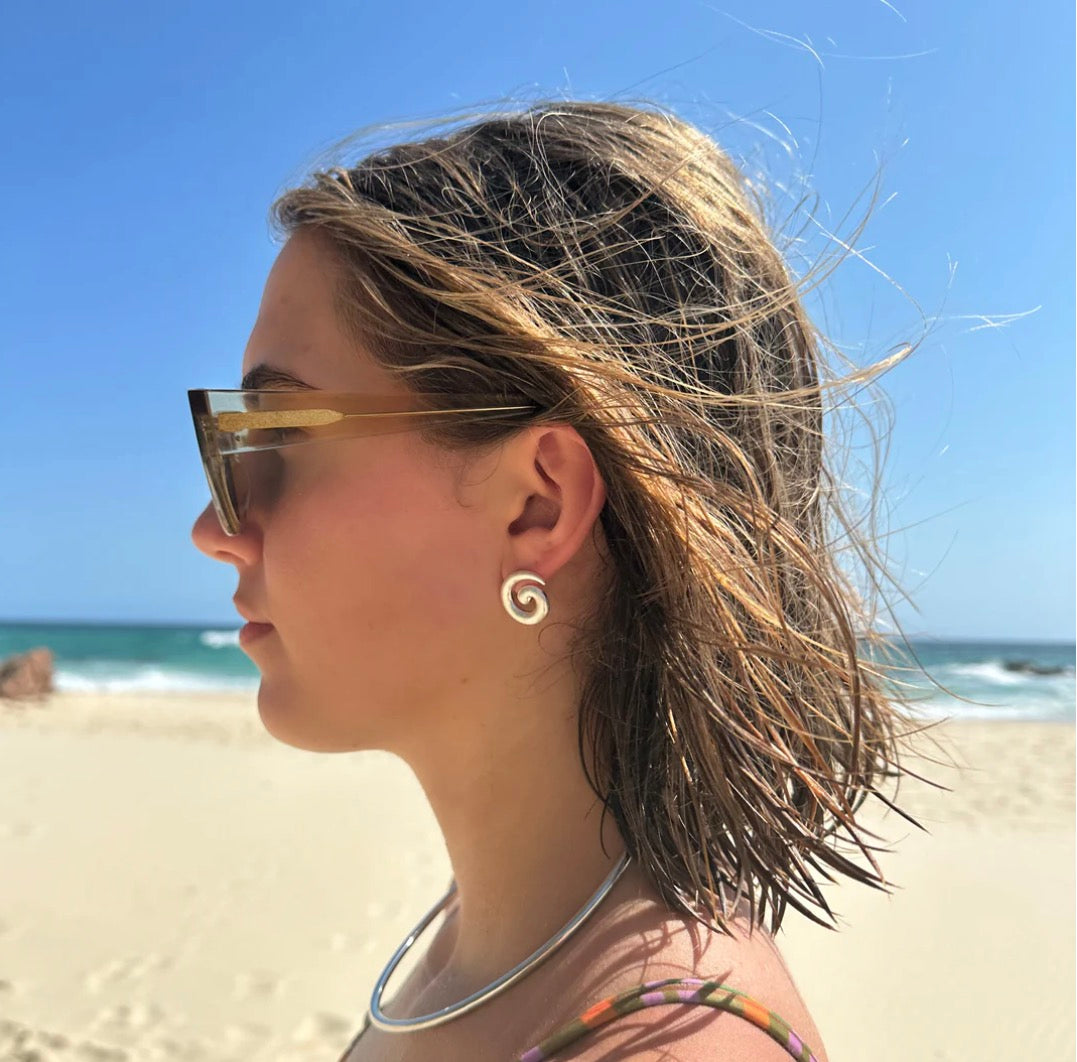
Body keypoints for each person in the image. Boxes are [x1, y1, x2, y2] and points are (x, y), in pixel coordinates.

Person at [189, 99, 948, 1061]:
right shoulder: (489, 944)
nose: (215, 529)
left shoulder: (663, 1044)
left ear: (538, 508)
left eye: (280, 435)